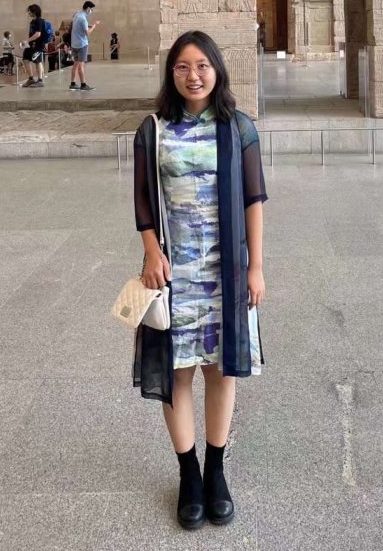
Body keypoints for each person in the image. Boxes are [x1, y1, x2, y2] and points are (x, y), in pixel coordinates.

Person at [133, 30, 266, 531]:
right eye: (183, 66)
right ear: (172, 73)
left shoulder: (238, 128)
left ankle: (216, 471)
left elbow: (254, 199)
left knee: (221, 370)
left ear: (217, 71)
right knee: (178, 374)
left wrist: (255, 266)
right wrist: (151, 252)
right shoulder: (154, 130)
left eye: (202, 66)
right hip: (175, 272)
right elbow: (144, 203)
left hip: (226, 271)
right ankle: (188, 473)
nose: (194, 75)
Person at [69, 0, 99, 91]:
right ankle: (83, 85)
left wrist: (88, 25)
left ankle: (73, 83)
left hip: (74, 43)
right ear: (88, 8)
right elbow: (87, 33)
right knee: (81, 65)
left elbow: (79, 26)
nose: (91, 11)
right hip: (82, 45)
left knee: (75, 64)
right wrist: (94, 25)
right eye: (91, 9)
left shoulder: (77, 14)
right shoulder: (83, 18)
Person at [21, 4, 48, 88]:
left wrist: (27, 41)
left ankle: (40, 80)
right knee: (25, 59)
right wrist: (27, 42)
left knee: (37, 61)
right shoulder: (32, 22)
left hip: (38, 45)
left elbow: (38, 34)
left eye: (29, 11)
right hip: (31, 45)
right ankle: (31, 78)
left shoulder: (40, 21)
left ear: (34, 11)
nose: (28, 12)